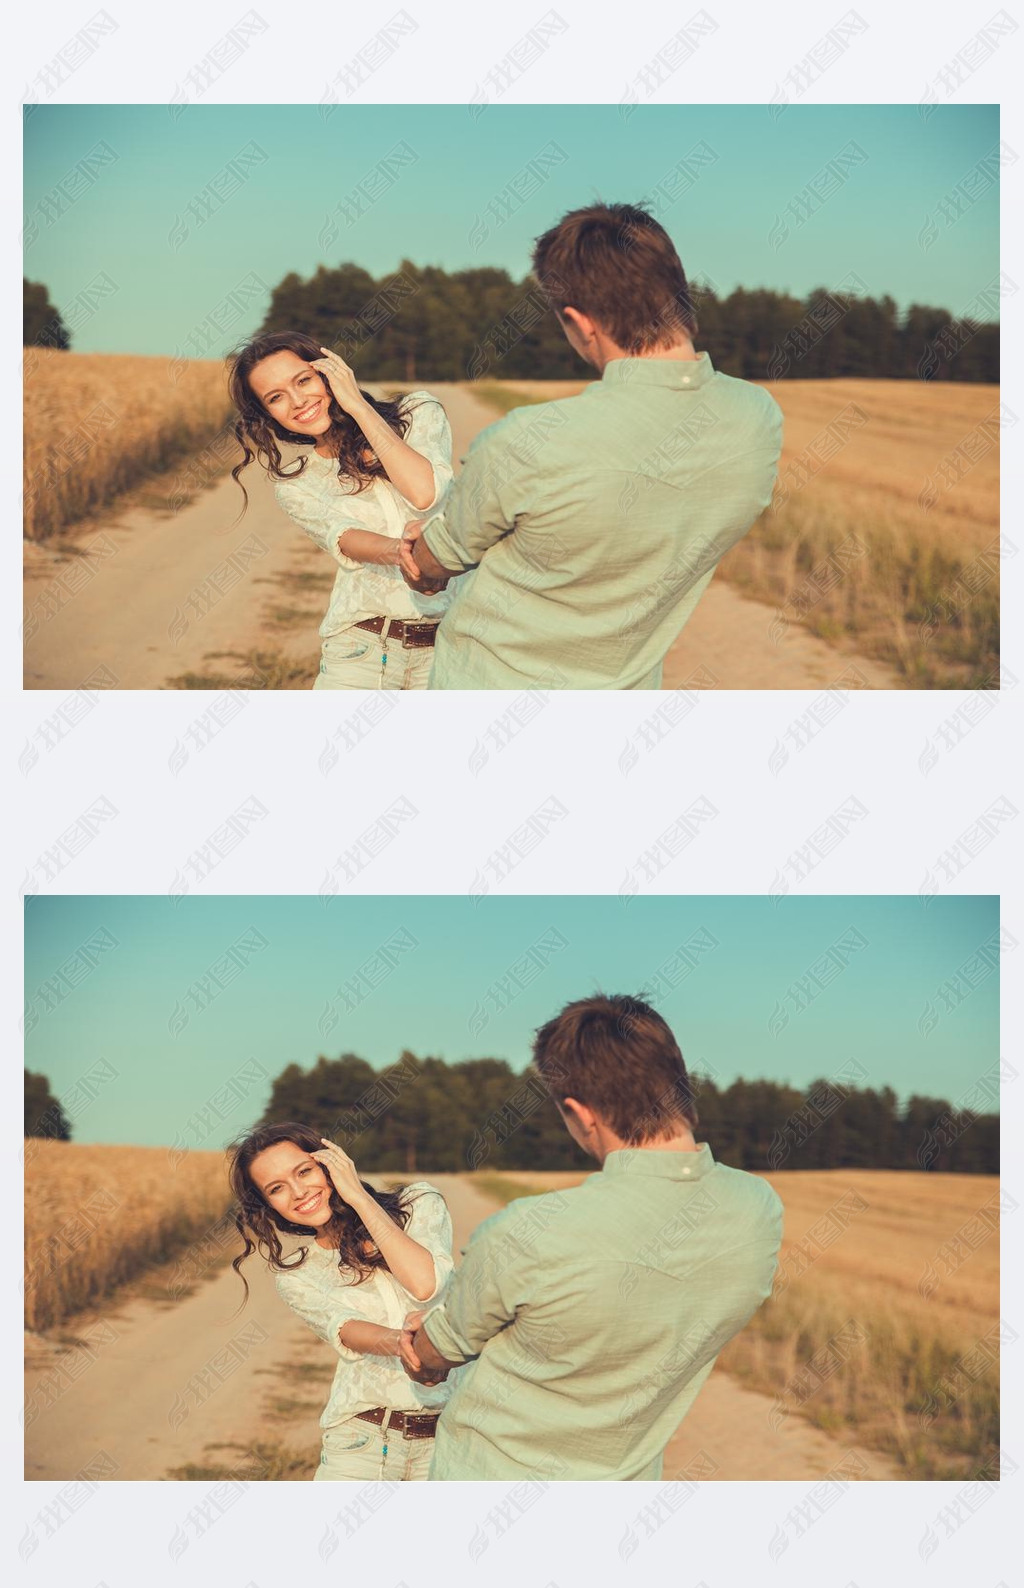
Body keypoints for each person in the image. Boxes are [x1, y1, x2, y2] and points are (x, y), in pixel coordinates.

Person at [399, 202, 784, 689]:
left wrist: (422, 554)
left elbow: (437, 561)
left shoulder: (525, 440)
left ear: (581, 323)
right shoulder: (759, 418)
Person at [401, 994, 784, 1480]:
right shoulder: (759, 1209)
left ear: (581, 1114)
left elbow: (437, 1353)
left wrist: (421, 1345)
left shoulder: (526, 1231)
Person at [229, 1122, 457, 1480]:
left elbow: (425, 1285)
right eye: (276, 1189)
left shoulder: (419, 1204)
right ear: (268, 1205)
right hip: (361, 1445)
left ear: (331, 1162)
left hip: (450, 1445)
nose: (298, 1192)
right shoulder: (297, 1275)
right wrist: (410, 1347)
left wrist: (360, 1199)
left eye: (304, 1171)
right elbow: (347, 1329)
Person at [228, 331, 454, 689]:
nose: (298, 401)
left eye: (303, 380)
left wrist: (358, 407)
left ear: (330, 372)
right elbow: (346, 538)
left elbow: (424, 494)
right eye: (276, 398)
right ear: (267, 414)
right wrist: (407, 555)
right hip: (361, 654)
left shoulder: (418, 413)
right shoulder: (297, 485)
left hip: (449, 654)